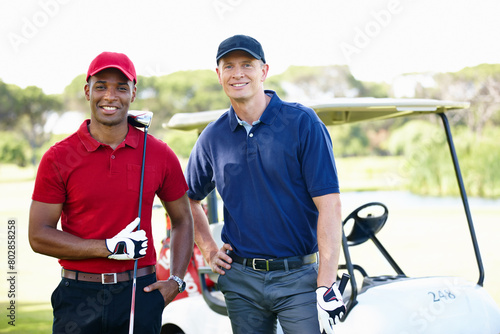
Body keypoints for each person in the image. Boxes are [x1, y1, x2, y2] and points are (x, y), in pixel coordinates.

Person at [185, 35, 346, 334]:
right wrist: (208, 248)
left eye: (247, 64)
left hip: (299, 279)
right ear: (219, 75)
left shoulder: (303, 123)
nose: (238, 73)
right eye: (229, 66)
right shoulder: (213, 136)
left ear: (264, 70)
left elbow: (330, 204)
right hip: (241, 280)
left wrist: (326, 281)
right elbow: (187, 200)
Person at [29, 51, 193, 333]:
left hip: (139, 292)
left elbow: (183, 220)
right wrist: (107, 247)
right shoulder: (58, 157)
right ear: (87, 90)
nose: (110, 96)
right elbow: (39, 235)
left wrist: (175, 281)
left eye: (121, 87)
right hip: (78, 294)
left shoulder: (159, 153)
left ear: (133, 93)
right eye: (101, 86)